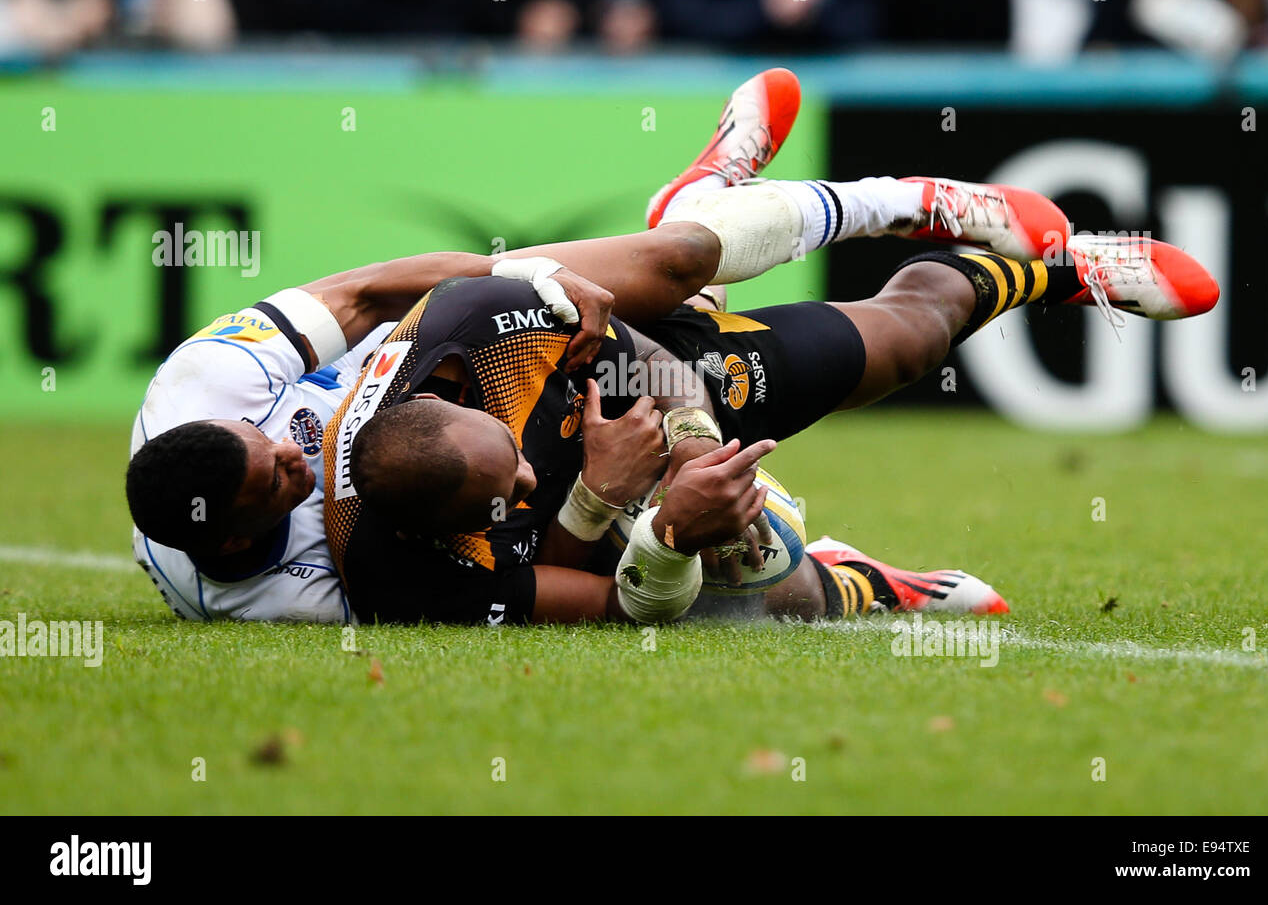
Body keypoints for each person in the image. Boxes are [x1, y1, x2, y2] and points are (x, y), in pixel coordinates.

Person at [125, 67, 1078, 622]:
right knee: (757, 591)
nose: (294, 447)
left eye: (274, 441)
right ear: (242, 537)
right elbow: (583, 597)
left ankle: (914, 203)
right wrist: (641, 518)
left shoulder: (207, 382)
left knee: (669, 270)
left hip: (509, 345)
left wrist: (541, 289)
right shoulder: (348, 586)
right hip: (518, 459)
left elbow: (371, 288)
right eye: (280, 478)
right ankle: (855, 581)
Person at [324, 146, 1219, 625]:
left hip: (614, 359)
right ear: (443, 533)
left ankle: (1036, 261)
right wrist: (608, 503)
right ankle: (866, 583)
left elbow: (651, 350)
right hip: (599, 488)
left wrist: (691, 445)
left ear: (444, 392)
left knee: (895, 339)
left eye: (509, 462)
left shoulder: (466, 327)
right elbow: (616, 606)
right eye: (503, 497)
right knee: (758, 591)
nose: (521, 479)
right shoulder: (402, 583)